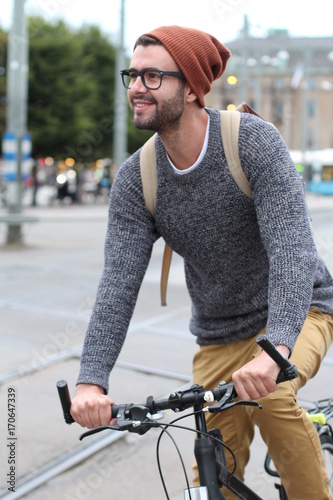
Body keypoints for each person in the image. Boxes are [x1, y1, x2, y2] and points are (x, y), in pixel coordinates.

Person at [70, 26, 333, 499]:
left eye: (152, 77)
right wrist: (91, 381)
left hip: (301, 314)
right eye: (132, 74)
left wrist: (276, 351)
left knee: (272, 399)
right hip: (217, 336)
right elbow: (117, 284)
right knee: (212, 465)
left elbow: (292, 253)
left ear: (191, 88)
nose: (135, 87)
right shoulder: (138, 180)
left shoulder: (251, 142)